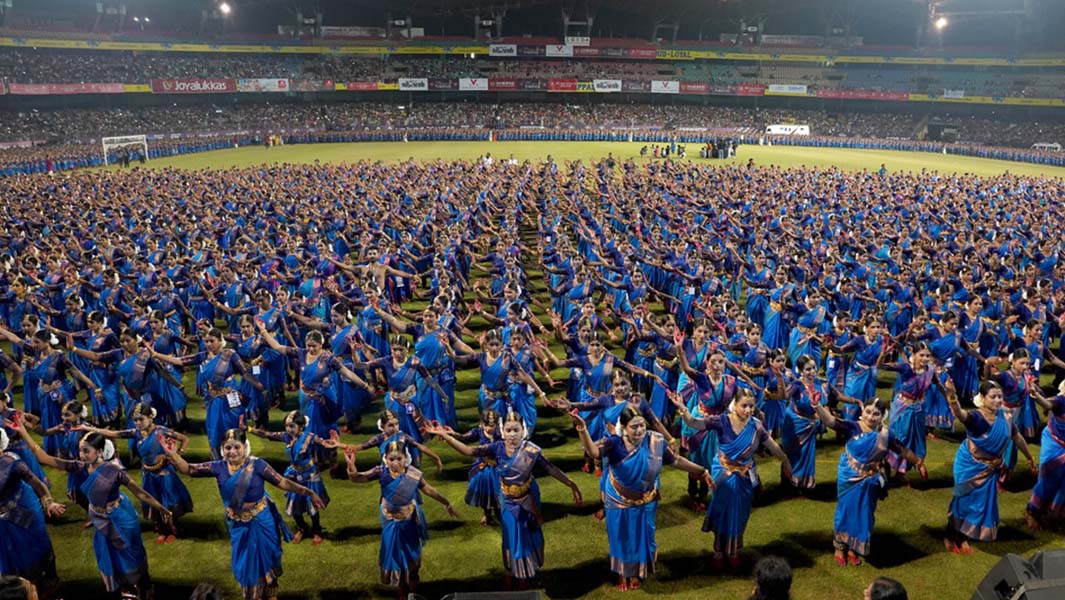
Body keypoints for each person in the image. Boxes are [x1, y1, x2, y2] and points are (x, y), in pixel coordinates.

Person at [6, 417, 169, 599]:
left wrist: (163, 510)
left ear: (99, 451)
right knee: (108, 560)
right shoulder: (80, 467)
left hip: (120, 520)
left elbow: (141, 494)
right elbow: (44, 458)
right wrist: (22, 431)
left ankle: (145, 587)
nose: (81, 455)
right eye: (80, 450)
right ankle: (119, 589)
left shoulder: (115, 471)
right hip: (100, 523)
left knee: (131, 556)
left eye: (86, 451)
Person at [425, 412, 582, 589]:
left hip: (529, 498)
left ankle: (524, 574)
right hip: (508, 500)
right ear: (503, 430)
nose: (512, 434)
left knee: (526, 535)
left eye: (516, 430)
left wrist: (571, 484)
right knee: (510, 536)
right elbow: (469, 451)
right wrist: (445, 436)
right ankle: (510, 572)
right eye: (508, 430)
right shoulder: (496, 448)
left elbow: (551, 469)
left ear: (523, 431)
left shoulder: (531, 450)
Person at [163, 428, 324, 600]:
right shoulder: (218, 467)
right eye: (228, 447)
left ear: (245, 447)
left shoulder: (258, 465)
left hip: (262, 521)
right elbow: (188, 469)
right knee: (246, 567)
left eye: (236, 447)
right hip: (239, 526)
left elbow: (283, 482)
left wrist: (309, 492)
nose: (232, 452)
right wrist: (173, 455)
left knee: (268, 562)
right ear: (222, 448)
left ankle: (271, 596)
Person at [570, 405, 712, 590]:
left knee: (641, 536)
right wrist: (582, 429)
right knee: (621, 537)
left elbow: (676, 460)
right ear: (624, 428)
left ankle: (637, 571)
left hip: (646, 500)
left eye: (642, 426)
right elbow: (593, 452)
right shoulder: (614, 443)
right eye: (634, 427)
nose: (639, 431)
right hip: (618, 500)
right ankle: (622, 573)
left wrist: (701, 471)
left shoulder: (655, 441)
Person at [674, 388, 792, 569]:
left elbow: (772, 446)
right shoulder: (721, 421)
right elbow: (692, 423)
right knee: (722, 511)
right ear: (734, 405)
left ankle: (733, 551)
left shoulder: (757, 426)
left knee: (740, 513)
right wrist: (682, 408)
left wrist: (784, 460)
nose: (748, 410)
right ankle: (719, 551)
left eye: (751, 406)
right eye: (744, 406)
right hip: (723, 474)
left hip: (746, 476)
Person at [809, 397, 925, 566]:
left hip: (870, 480)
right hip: (849, 476)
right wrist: (817, 406)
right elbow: (831, 421)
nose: (871, 417)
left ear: (882, 416)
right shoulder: (852, 427)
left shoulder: (885, 435)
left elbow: (902, 450)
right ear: (862, 411)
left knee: (864, 514)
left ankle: (853, 548)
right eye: (868, 412)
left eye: (876, 414)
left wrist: (918, 463)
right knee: (845, 511)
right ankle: (839, 546)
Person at [342, 440, 459, 598]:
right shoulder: (380, 471)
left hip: (409, 519)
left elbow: (429, 490)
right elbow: (357, 478)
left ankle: (413, 579)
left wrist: (447, 503)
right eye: (391, 459)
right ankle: (402, 587)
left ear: (406, 458)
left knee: (412, 552)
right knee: (394, 553)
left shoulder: (413, 474)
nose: (395, 463)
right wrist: (350, 465)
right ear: (386, 459)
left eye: (399, 459)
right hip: (389, 520)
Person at [78, 402, 193, 544]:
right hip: (148, 474)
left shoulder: (161, 431)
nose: (137, 423)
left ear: (150, 417)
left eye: (141, 419)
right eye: (135, 420)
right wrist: (92, 429)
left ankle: (172, 528)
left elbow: (184, 439)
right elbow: (114, 434)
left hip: (164, 473)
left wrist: (176, 455)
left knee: (168, 501)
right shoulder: (136, 433)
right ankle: (161, 530)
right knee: (152, 499)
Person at [943, 380, 1036, 554]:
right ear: (983, 398)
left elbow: (1016, 437)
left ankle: (963, 537)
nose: (997, 400)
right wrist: (953, 397)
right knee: (963, 503)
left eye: (1000, 396)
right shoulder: (976, 418)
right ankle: (950, 536)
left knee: (978, 505)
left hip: (990, 469)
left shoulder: (1006, 417)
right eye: (993, 397)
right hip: (969, 465)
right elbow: (960, 414)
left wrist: (1030, 457)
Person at [250, 410, 332, 545]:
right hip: (294, 475)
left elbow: (325, 443)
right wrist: (248, 428)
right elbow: (266, 434)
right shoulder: (286, 437)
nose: (289, 429)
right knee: (294, 505)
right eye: (287, 426)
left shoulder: (310, 437)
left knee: (312, 505)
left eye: (292, 426)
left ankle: (317, 530)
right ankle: (302, 528)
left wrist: (336, 443)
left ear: (300, 426)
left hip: (309, 475)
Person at [0, 426, 64, 585]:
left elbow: (38, 484)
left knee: (35, 546)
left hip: (22, 510)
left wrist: (49, 502)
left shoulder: (12, 462)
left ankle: (48, 580)